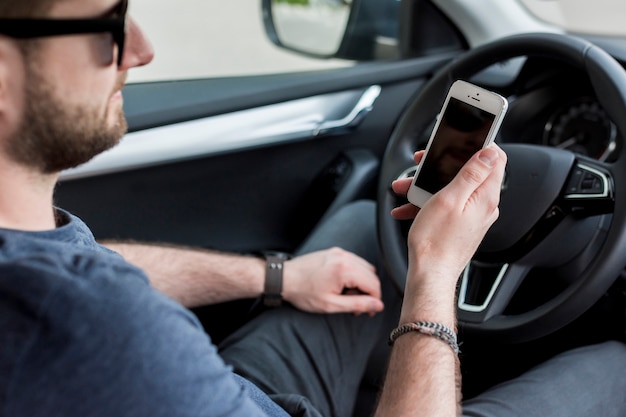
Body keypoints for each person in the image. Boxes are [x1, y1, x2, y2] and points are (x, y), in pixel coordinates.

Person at [1, 1, 625, 417]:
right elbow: (92, 300)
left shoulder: (39, 264)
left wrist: (277, 277)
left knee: (360, 234)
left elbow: (85, 262)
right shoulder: (94, 323)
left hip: (226, 391)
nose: (141, 50)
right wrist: (437, 270)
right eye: (109, 27)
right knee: (614, 367)